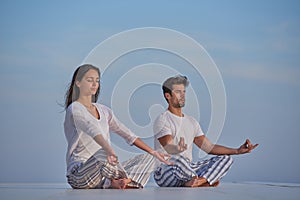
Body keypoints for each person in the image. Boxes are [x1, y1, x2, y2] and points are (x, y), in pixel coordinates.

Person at [63, 64, 171, 189]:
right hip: (80, 174)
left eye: (97, 81)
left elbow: (127, 134)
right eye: (89, 80)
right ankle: (124, 180)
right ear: (78, 83)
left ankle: (112, 183)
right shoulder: (75, 108)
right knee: (102, 154)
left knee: (151, 158)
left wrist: (154, 152)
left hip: (104, 173)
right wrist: (108, 150)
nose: (94, 84)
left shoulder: (104, 111)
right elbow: (91, 129)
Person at [153, 75, 258, 187]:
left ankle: (198, 181)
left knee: (226, 159)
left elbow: (209, 148)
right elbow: (168, 146)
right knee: (178, 159)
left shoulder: (192, 122)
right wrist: (177, 148)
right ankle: (203, 180)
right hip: (166, 171)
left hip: (188, 169)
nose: (183, 95)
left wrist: (237, 151)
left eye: (184, 92)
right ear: (168, 96)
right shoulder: (163, 119)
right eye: (178, 92)